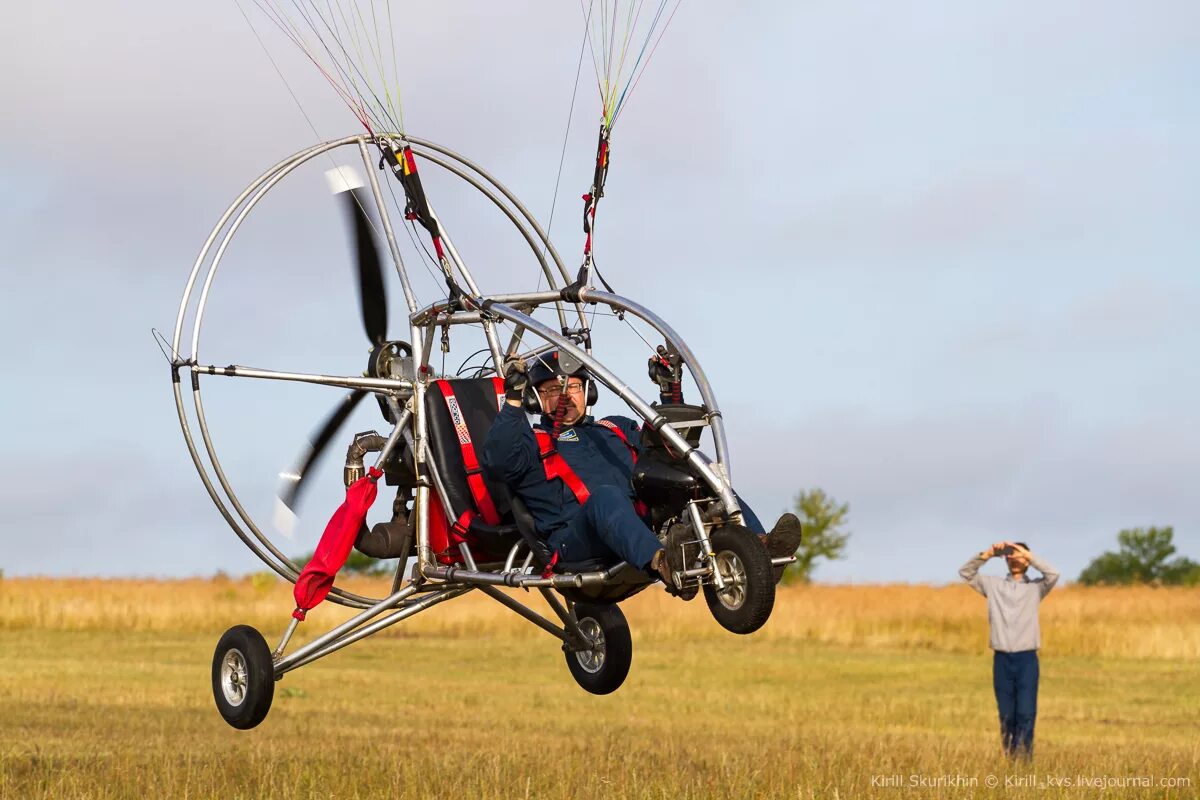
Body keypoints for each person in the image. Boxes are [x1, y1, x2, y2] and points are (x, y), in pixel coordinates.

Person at [481, 352, 801, 595]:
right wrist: (513, 398)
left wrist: (670, 392)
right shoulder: (530, 441)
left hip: (639, 525)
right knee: (606, 495)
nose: (565, 395)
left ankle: (759, 546)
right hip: (575, 542)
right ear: (536, 398)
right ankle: (665, 562)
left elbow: (669, 448)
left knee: (697, 468)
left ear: (587, 393)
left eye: (574, 387)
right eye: (552, 390)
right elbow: (497, 462)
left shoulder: (615, 427)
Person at [959, 541, 1060, 760]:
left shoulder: (1036, 588)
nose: (1015, 559)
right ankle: (1010, 757)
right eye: (1011, 556)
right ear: (1005, 559)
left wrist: (1028, 555)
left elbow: (1053, 573)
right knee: (1006, 714)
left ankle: (1024, 760)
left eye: (1020, 556)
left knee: (1026, 712)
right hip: (1002, 658)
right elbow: (966, 573)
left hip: (1026, 659)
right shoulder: (993, 585)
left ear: (1028, 560)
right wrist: (986, 555)